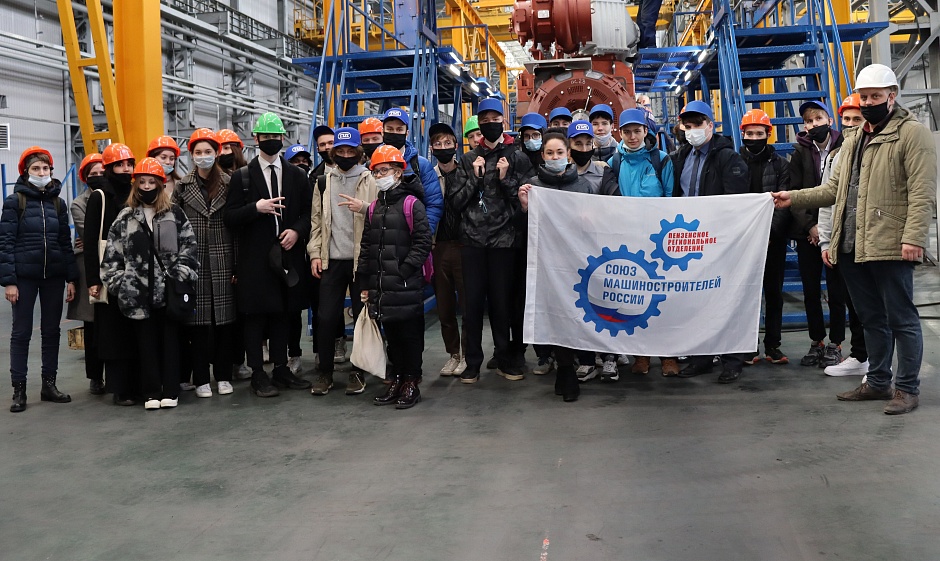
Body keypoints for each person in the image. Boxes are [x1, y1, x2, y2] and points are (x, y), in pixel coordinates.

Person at [772, 64, 936, 415]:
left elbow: (922, 193)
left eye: (876, 96)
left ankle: (907, 389)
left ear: (892, 96)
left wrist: (914, 238)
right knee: (870, 317)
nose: (869, 102)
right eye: (864, 97)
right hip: (852, 244)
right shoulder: (853, 139)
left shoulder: (912, 134)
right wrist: (793, 198)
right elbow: (833, 189)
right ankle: (877, 382)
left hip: (891, 243)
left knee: (902, 319)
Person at [224, 112, 313, 397]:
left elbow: (308, 213)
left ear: (282, 138)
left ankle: (281, 368)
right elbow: (230, 217)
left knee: (283, 314)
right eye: (267, 137)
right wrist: (256, 208)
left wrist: (296, 231)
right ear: (256, 139)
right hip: (255, 260)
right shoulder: (242, 177)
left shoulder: (297, 175)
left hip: (287, 256)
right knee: (255, 317)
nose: (272, 141)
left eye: (276, 136)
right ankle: (258, 374)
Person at [100, 157, 199, 410]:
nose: (146, 186)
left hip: (169, 294)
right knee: (145, 346)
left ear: (160, 183)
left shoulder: (174, 214)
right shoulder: (125, 218)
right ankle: (151, 392)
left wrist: (180, 275)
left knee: (171, 344)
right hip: (137, 297)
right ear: (135, 185)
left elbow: (189, 247)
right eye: (142, 182)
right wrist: (123, 284)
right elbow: (111, 257)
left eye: (151, 182)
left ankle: (171, 390)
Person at [450, 98, 533, 383]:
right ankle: (472, 362)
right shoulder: (467, 159)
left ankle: (504, 358)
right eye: (484, 120)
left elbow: (525, 201)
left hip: (504, 243)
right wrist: (475, 178)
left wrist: (505, 178)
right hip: (472, 243)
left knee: (502, 305)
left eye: (494, 119)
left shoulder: (517, 157)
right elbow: (455, 203)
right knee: (472, 306)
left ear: (503, 121)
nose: (490, 124)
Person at [671, 100, 749, 383]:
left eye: (698, 125)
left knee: (727, 299)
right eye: (688, 126)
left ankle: (732, 359)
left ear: (711, 125)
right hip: (691, 241)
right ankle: (701, 357)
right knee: (697, 300)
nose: (692, 130)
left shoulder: (727, 158)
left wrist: (723, 235)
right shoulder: (681, 156)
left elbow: (735, 202)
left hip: (719, 240)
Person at [517, 132, 594, 401]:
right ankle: (564, 368)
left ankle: (579, 363)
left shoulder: (583, 186)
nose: (555, 157)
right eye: (549, 153)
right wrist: (524, 208)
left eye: (559, 152)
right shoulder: (533, 187)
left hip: (576, 262)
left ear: (568, 154)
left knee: (575, 313)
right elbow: (523, 229)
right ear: (542, 156)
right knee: (554, 315)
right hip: (547, 262)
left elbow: (595, 226)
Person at [1, 146, 78, 412]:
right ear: (26, 172)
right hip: (24, 277)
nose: (42, 172)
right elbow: (5, 242)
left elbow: (64, 243)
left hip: (53, 276)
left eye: (45, 168)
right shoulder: (15, 201)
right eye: (36, 168)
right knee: (21, 333)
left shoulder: (58, 203)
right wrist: (9, 281)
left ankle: (49, 385)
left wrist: (71, 278)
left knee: (51, 331)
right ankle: (19, 390)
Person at [604, 108, 679, 377]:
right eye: (627, 132)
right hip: (629, 240)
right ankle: (641, 355)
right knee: (636, 299)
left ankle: (668, 356)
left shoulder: (661, 160)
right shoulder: (613, 163)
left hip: (658, 241)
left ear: (646, 131)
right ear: (620, 133)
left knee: (664, 298)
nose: (632, 136)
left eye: (637, 131)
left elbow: (671, 198)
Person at [359, 146, 432, 408]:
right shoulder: (374, 208)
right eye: (376, 172)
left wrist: (404, 271)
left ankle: (411, 381)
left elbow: (423, 242)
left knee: (409, 335)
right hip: (382, 286)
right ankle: (398, 379)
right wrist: (365, 281)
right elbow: (366, 246)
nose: (380, 176)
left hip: (405, 284)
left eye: (385, 170)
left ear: (399, 172)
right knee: (391, 335)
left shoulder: (412, 204)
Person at [307, 127, 377, 396]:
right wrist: (315, 253)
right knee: (325, 317)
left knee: (361, 318)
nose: (345, 155)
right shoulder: (323, 182)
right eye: (340, 151)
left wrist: (365, 208)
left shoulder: (370, 179)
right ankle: (325, 372)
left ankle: (358, 372)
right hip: (332, 260)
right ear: (333, 152)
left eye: (350, 151)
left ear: (359, 152)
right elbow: (316, 222)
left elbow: (381, 215)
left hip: (361, 261)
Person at [173, 129, 237, 399]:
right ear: (191, 155)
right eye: (198, 152)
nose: (203, 156)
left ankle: (223, 376)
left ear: (217, 152)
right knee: (198, 324)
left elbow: (237, 227)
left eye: (208, 151)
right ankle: (201, 379)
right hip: (194, 260)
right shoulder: (182, 187)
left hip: (224, 258)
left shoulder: (230, 183)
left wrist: (237, 265)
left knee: (224, 322)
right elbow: (173, 226)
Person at [789, 100, 849, 369]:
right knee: (810, 291)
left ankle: (836, 344)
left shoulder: (844, 147)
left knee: (837, 291)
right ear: (804, 126)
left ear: (830, 120)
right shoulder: (799, 153)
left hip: (836, 232)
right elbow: (795, 193)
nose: (814, 124)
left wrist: (827, 230)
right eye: (809, 121)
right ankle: (817, 341)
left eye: (818, 119)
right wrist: (810, 227)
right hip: (808, 234)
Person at [85, 142, 140, 405]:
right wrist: (93, 280)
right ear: (108, 168)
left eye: (129, 164)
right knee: (113, 332)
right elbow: (90, 240)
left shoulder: (137, 192)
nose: (126, 169)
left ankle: (136, 384)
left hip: (136, 270)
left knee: (134, 329)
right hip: (109, 272)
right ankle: (119, 388)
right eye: (119, 165)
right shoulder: (100, 196)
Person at [818, 94, 869, 378]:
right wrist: (826, 241)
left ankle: (879, 363)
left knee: (874, 308)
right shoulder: (836, 157)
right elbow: (828, 201)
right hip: (845, 242)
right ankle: (860, 356)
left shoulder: (877, 152)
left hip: (872, 243)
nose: (850, 124)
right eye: (846, 119)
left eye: (856, 119)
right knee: (852, 302)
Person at [738, 109, 791, 366]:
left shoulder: (781, 165)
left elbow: (784, 203)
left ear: (768, 134)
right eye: (749, 134)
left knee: (773, 293)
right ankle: (748, 347)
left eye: (759, 133)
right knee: (745, 295)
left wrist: (769, 235)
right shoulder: (735, 163)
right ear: (743, 135)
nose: (754, 138)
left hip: (773, 241)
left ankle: (773, 345)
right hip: (743, 242)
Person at [429, 122, 467, 376]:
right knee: (444, 307)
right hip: (439, 247)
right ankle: (453, 354)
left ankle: (468, 354)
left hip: (464, 246)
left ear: (455, 145)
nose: (443, 147)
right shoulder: (429, 176)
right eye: (437, 143)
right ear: (432, 148)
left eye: (447, 142)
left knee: (467, 304)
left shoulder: (467, 172)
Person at [67, 153, 107, 395]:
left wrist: (94, 238)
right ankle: (95, 377)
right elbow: (89, 234)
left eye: (102, 172)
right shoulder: (78, 204)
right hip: (89, 267)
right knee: (92, 326)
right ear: (85, 177)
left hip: (112, 264)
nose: (99, 177)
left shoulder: (115, 196)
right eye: (94, 174)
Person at [380, 108, 444, 234]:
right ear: (382, 132)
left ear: (407, 133)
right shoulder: (372, 164)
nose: (394, 133)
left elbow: (434, 204)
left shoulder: (421, 165)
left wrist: (422, 235)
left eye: (399, 129)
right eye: (390, 129)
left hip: (412, 238)